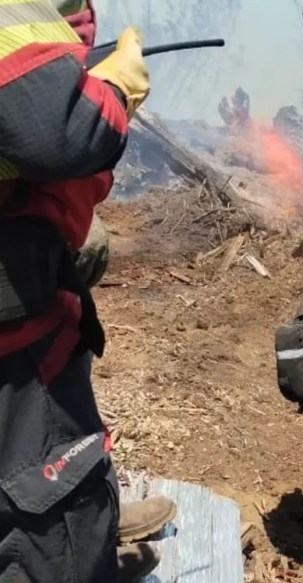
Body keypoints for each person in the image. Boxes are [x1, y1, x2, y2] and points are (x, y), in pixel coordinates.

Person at [0, 2, 160, 581]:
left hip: (30, 296)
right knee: (48, 515)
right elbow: (58, 129)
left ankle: (88, 522)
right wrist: (111, 92)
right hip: (16, 345)